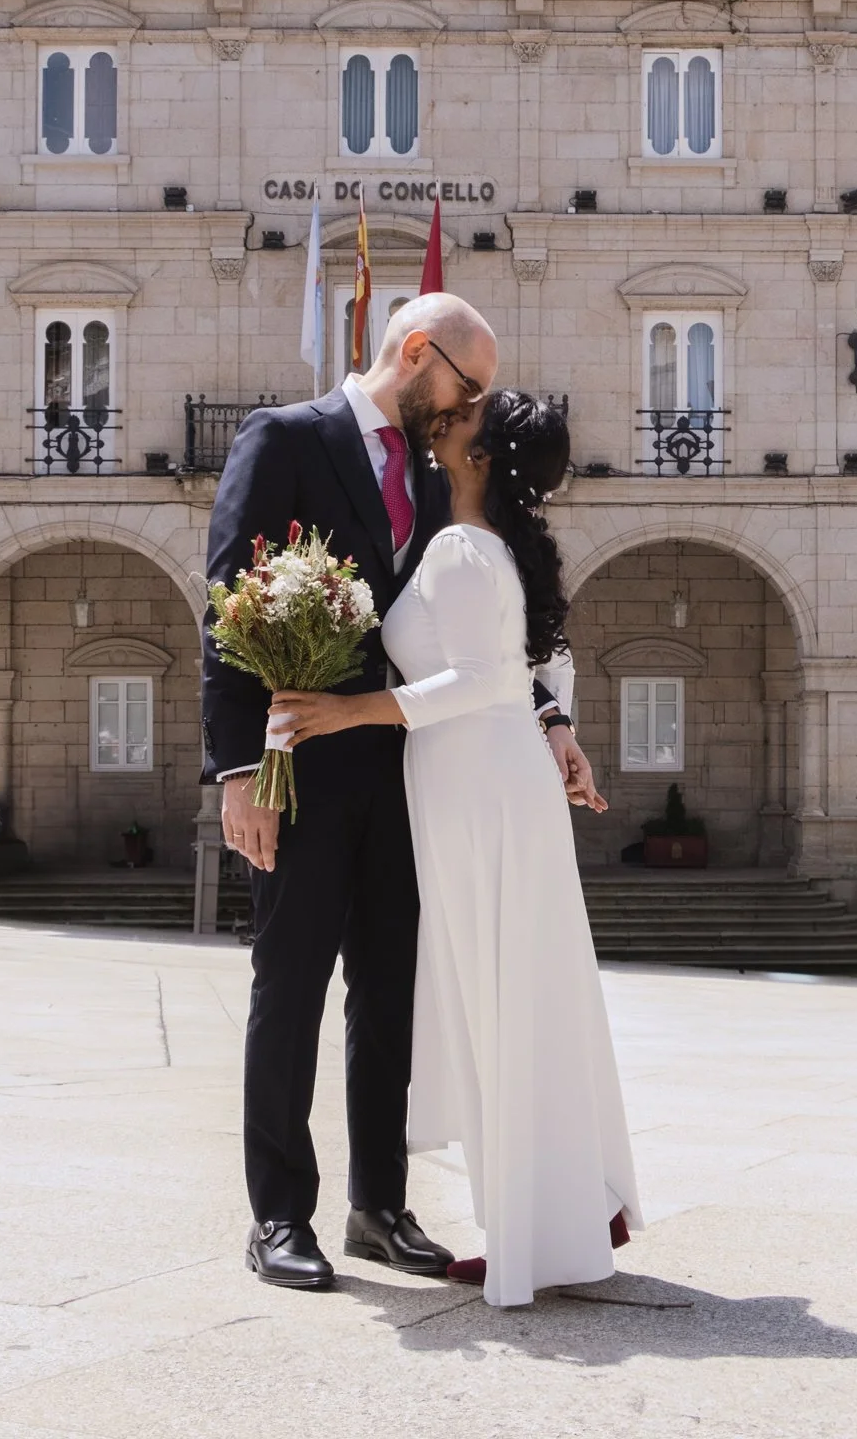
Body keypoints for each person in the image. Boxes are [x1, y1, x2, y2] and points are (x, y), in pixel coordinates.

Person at [202, 300, 601, 1292]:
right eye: (466, 385)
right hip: (298, 768)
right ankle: (278, 1215)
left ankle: (378, 1206)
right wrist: (237, 769)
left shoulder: (437, 475)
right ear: (417, 354)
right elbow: (226, 602)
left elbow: (486, 631)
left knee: (388, 994)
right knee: (287, 989)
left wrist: (552, 722)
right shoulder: (285, 438)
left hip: (409, 774)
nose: (470, 407)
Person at [273, 389, 642, 1308]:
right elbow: (511, 674)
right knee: (506, 1003)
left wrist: (345, 709)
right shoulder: (480, 544)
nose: (453, 408)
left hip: (480, 787)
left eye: (472, 409)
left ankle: (536, 1231)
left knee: (502, 1005)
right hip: (476, 781)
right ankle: (544, 1223)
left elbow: (480, 679)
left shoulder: (461, 548)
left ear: (481, 455)